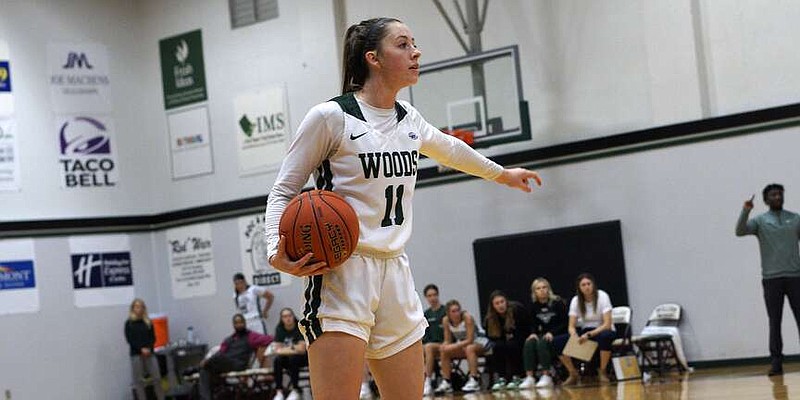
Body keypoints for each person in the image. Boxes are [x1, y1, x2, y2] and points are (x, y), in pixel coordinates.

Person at [264, 17, 542, 400]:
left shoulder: (409, 118)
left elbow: (452, 149)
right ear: (373, 58)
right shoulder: (330, 117)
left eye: (414, 43)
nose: (416, 51)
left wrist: (502, 174)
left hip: (395, 270)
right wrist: (273, 252)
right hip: (341, 271)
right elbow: (284, 190)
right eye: (404, 44)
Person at [736, 183, 800, 375]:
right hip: (772, 280)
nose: (778, 197)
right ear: (766, 200)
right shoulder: (760, 221)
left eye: (780, 194)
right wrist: (745, 211)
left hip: (795, 277)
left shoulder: (795, 218)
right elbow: (739, 231)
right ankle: (776, 363)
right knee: (775, 321)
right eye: (773, 195)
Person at [554, 273, 615, 385]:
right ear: (579, 287)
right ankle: (573, 373)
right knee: (558, 341)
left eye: (589, 284)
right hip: (585, 330)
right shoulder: (576, 300)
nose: (587, 287)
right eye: (583, 285)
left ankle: (602, 371)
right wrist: (574, 336)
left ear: (593, 285)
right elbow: (571, 326)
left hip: (602, 329)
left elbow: (607, 324)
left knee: (605, 337)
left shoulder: (602, 296)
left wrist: (588, 335)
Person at [198, 314, 273, 400]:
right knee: (205, 370)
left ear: (245, 323)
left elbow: (269, 339)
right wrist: (208, 361)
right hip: (224, 364)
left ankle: (196, 368)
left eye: (241, 322)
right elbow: (220, 351)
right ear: (233, 325)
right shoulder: (229, 339)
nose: (239, 325)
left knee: (214, 360)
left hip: (238, 364)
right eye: (236, 323)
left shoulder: (251, 336)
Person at [519, 278, 567, 389]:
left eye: (544, 287)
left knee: (542, 343)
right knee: (529, 342)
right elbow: (532, 324)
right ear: (534, 291)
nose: (542, 290)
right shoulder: (533, 306)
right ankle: (530, 377)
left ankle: (546, 375)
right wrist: (533, 333)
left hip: (559, 333)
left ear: (549, 289)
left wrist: (552, 332)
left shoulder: (557, 303)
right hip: (544, 334)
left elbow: (565, 322)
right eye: (538, 288)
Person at [435, 300, 492, 394]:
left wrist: (453, 346)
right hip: (464, 345)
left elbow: (470, 339)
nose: (456, 313)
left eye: (458, 310)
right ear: (448, 313)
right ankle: (447, 382)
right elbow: (447, 340)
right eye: (453, 311)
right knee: (444, 351)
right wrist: (444, 346)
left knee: (470, 348)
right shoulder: (446, 320)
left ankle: (474, 380)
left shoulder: (467, 318)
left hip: (480, 342)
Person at [484, 290, 531, 391]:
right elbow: (491, 336)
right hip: (504, 341)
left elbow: (526, 328)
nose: (500, 305)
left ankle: (518, 376)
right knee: (497, 346)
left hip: (522, 337)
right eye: (497, 303)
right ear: (493, 306)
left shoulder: (516, 309)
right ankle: (502, 378)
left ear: (506, 302)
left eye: (502, 302)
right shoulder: (490, 318)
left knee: (512, 345)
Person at [124, 298, 165, 400]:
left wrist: (148, 348)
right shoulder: (129, 324)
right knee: (139, 381)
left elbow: (153, 337)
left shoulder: (148, 322)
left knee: (157, 378)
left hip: (149, 353)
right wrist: (140, 349)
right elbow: (130, 340)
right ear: (133, 309)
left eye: (141, 307)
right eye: (137, 307)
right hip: (136, 354)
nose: (139, 309)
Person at [271, 308, 308, 400]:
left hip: (303, 358)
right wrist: (293, 348)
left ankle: (295, 390)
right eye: (285, 316)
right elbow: (277, 350)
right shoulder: (280, 329)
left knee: (294, 358)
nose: (288, 318)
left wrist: (286, 349)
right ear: (281, 319)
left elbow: (302, 349)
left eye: (289, 315)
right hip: (288, 358)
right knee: (277, 360)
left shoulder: (300, 326)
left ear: (293, 316)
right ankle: (279, 391)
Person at [422, 283, 447, 396]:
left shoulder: (445, 311)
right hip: (429, 345)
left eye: (434, 295)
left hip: (443, 344)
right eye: (429, 295)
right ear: (426, 297)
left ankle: (428, 381)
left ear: (438, 295)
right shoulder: (426, 314)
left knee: (428, 347)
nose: (432, 298)